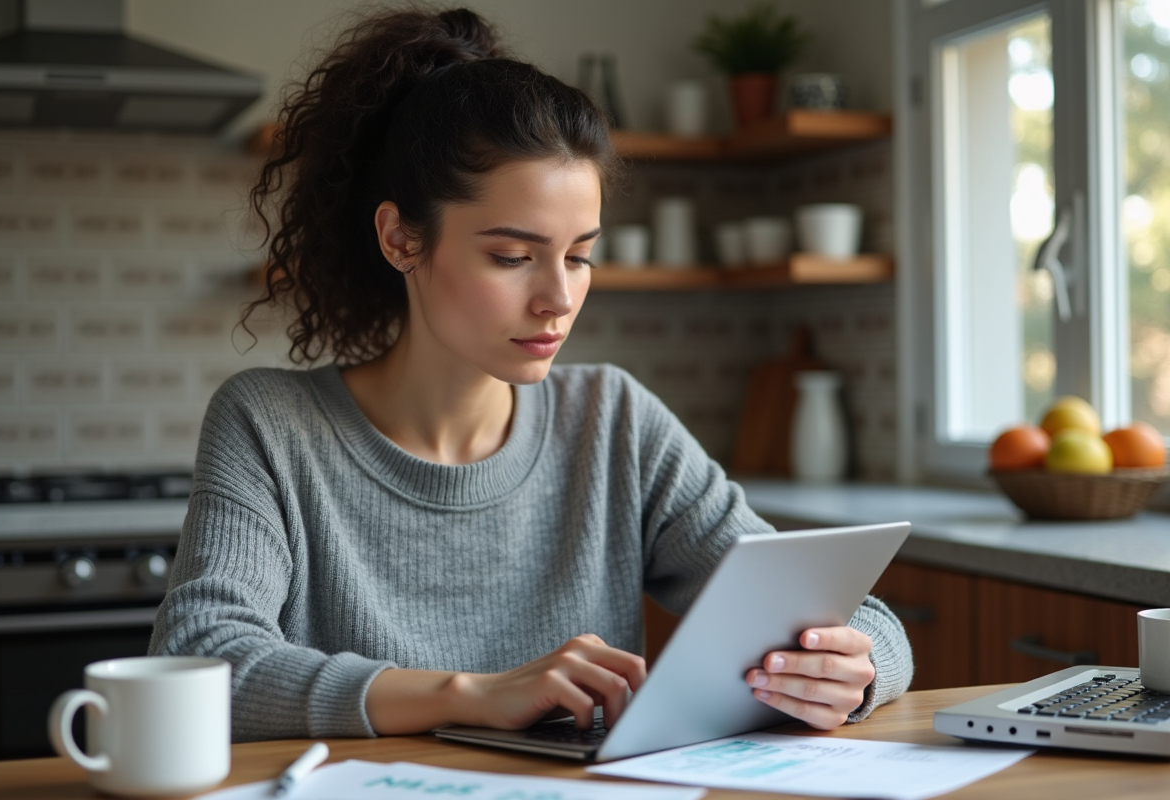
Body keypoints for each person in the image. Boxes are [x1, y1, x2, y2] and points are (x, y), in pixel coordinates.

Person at [149, 6, 912, 742]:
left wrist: (856, 668)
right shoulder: (270, 424)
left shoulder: (615, 420)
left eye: (579, 255)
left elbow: (853, 619)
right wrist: (473, 694)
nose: (559, 298)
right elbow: (197, 660)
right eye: (512, 257)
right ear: (401, 239)